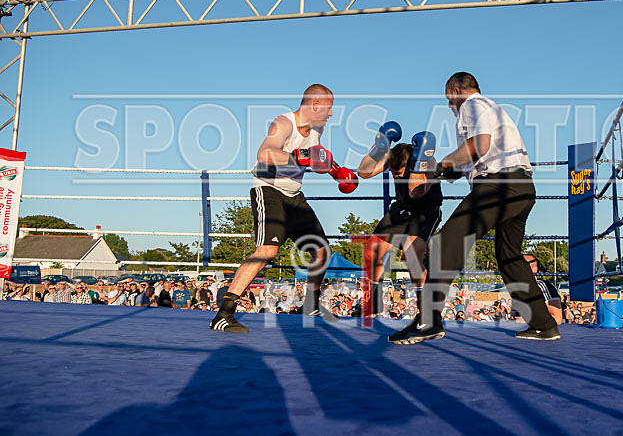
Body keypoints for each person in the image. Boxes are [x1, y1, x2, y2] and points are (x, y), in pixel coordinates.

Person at [389, 72, 559, 344]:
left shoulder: (471, 105)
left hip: (497, 187)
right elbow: (474, 156)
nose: (449, 106)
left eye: (449, 99)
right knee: (510, 258)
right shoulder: (494, 110)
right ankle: (544, 324)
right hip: (522, 188)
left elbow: (478, 147)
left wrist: (441, 165)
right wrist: (447, 172)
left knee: (446, 244)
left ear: (456, 90)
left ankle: (428, 322)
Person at [210, 84, 357, 333]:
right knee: (267, 251)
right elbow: (265, 153)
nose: (331, 114)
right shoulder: (283, 123)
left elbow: (314, 156)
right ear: (316, 104)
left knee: (321, 251)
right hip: (269, 190)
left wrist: (336, 172)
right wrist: (299, 157)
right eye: (329, 108)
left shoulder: (316, 129)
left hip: (293, 195)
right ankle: (224, 314)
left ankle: (310, 305)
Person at [357, 123, 443, 316]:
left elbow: (415, 193)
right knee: (371, 252)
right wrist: (378, 147)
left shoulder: (427, 162)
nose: (395, 174)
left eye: (399, 171)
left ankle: (426, 311)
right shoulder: (394, 158)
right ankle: (374, 304)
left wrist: (418, 163)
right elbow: (363, 172)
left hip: (425, 211)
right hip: (401, 210)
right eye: (393, 170)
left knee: (411, 256)